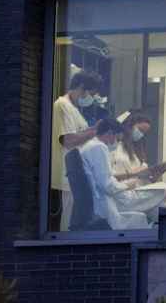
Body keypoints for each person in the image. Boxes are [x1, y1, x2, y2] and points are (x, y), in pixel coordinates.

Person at [52, 71, 103, 230]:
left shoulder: (75, 110)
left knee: (78, 222)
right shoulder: (62, 106)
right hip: (68, 175)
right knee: (68, 225)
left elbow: (81, 134)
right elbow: (68, 140)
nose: (91, 99)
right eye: (91, 94)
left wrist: (93, 130)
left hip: (78, 174)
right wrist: (93, 131)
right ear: (82, 88)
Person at [79, 118, 150, 230]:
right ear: (109, 133)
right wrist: (127, 185)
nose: (117, 142)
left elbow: (105, 180)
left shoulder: (89, 146)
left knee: (140, 218)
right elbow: (107, 185)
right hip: (103, 208)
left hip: (100, 204)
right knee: (142, 218)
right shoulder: (99, 147)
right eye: (117, 138)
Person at [110, 112, 166, 224]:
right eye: (140, 130)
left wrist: (155, 175)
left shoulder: (137, 152)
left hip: (137, 193)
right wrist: (135, 173)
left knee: (164, 208)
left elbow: (144, 180)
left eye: (144, 133)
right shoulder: (115, 146)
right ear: (130, 125)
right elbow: (109, 177)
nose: (141, 135)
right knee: (164, 189)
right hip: (124, 194)